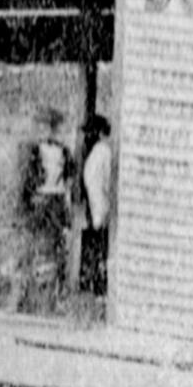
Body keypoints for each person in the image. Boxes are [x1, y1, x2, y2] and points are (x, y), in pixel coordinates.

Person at [12, 107, 75, 312]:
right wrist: (23, 207)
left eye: (51, 127)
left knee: (53, 250)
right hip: (39, 203)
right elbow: (25, 182)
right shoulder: (32, 151)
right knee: (30, 249)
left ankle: (48, 300)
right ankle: (22, 298)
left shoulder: (64, 152)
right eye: (43, 126)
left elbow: (68, 180)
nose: (47, 130)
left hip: (55, 203)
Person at [78, 114, 115, 296]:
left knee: (100, 242)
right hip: (95, 202)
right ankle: (93, 282)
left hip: (101, 203)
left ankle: (98, 284)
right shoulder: (97, 151)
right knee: (96, 240)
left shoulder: (103, 151)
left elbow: (107, 181)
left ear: (100, 133)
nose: (89, 135)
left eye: (92, 132)